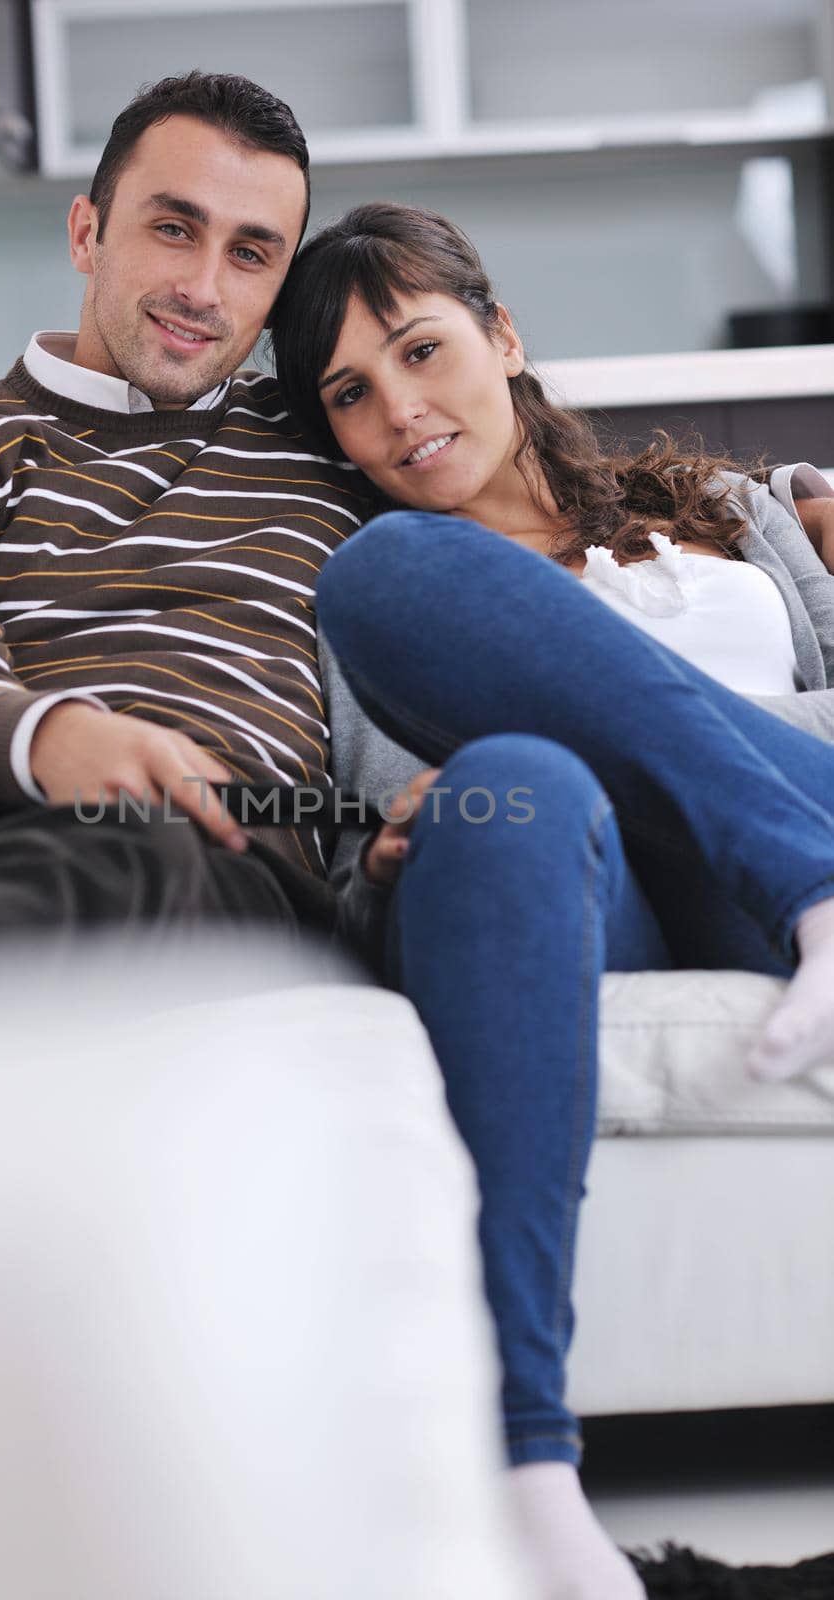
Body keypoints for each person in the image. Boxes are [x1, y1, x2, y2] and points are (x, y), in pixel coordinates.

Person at [269, 201, 834, 1600]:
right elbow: (352, 835)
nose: (400, 411)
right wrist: (372, 843)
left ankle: (807, 884)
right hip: (605, 887)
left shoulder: (734, 512)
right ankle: (524, 1473)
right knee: (494, 759)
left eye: (419, 349)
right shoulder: (372, 606)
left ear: (501, 335)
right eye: (350, 393)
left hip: (802, 793)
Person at [0, 72, 362, 952]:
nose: (202, 287)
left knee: (118, 855)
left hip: (196, 829)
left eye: (250, 253)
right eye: (172, 228)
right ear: (87, 233)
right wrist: (56, 741)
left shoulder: (326, 434)